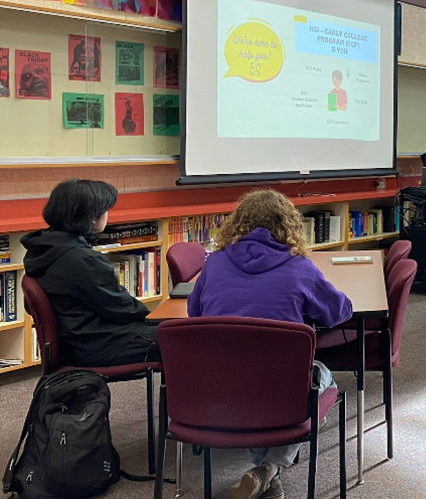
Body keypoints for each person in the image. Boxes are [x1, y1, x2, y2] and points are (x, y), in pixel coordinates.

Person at [188, 190, 353, 499]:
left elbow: (194, 314)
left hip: (219, 387)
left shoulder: (214, 264)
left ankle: (266, 475)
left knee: (261, 383)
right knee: (320, 378)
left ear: (238, 223)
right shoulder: (300, 268)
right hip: (281, 392)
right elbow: (338, 312)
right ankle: (270, 469)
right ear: (288, 224)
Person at [20, 179, 159, 367]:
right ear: (93, 217)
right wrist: (153, 317)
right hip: (99, 344)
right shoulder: (83, 260)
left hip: (74, 341)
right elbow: (121, 308)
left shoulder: (42, 248)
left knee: (173, 330)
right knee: (186, 337)